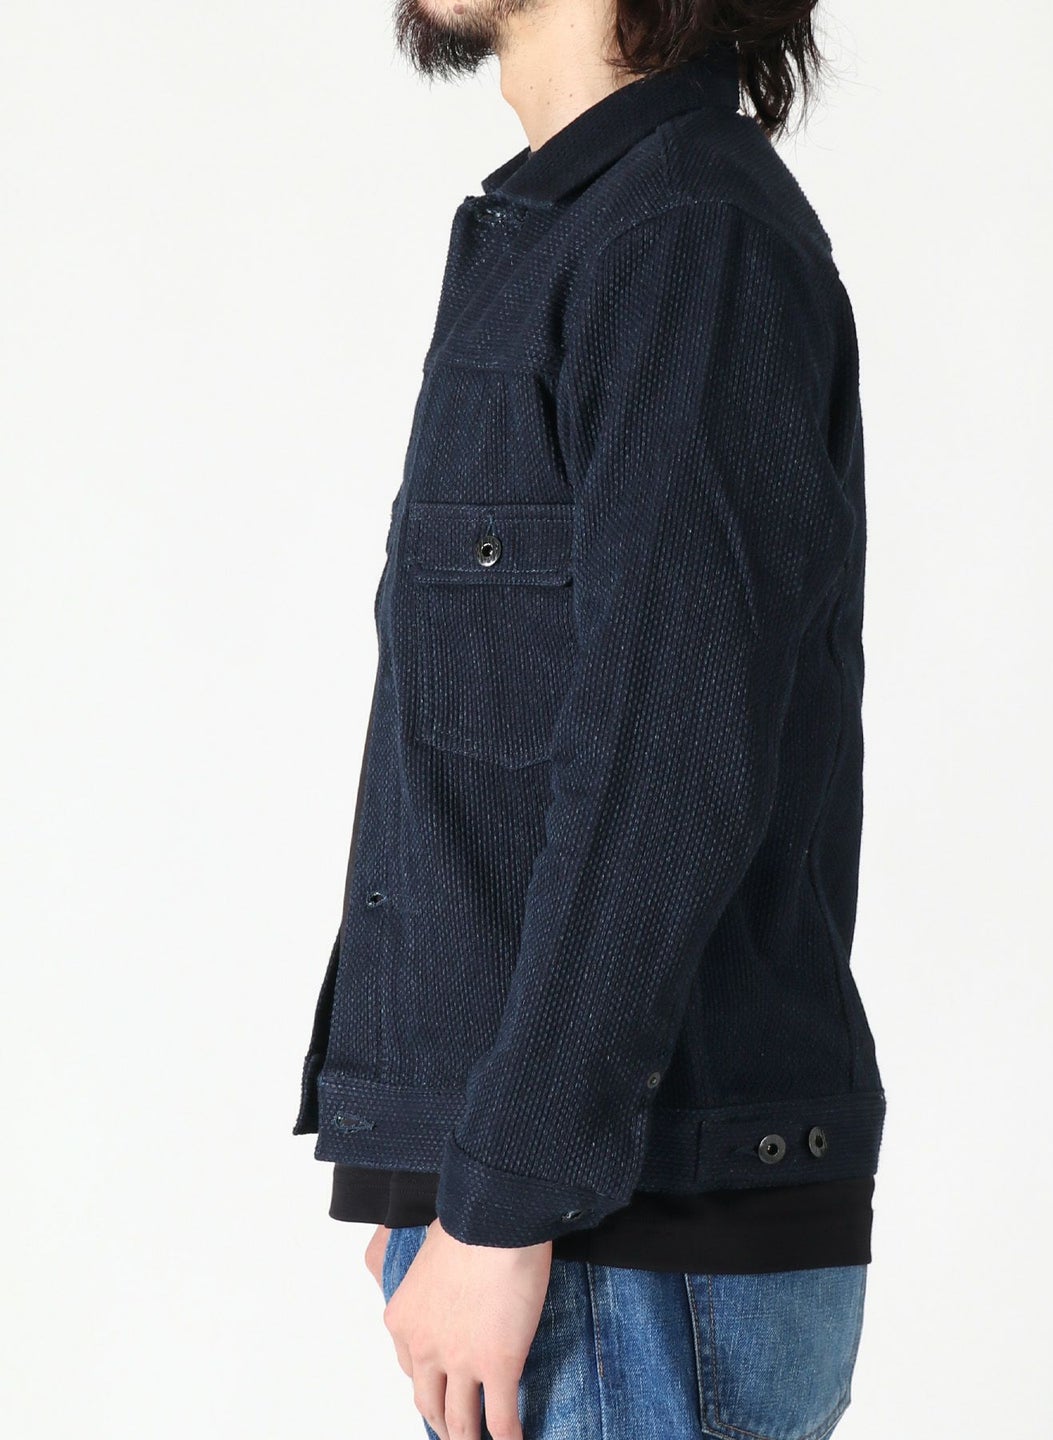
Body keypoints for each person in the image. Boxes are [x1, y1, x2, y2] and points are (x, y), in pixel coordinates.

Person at [291, 2, 888, 1437]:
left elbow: (669, 764)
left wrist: (503, 1194)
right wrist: (436, 1165)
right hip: (572, 1229)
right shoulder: (586, 228)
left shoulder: (684, 239)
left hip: (624, 1236)